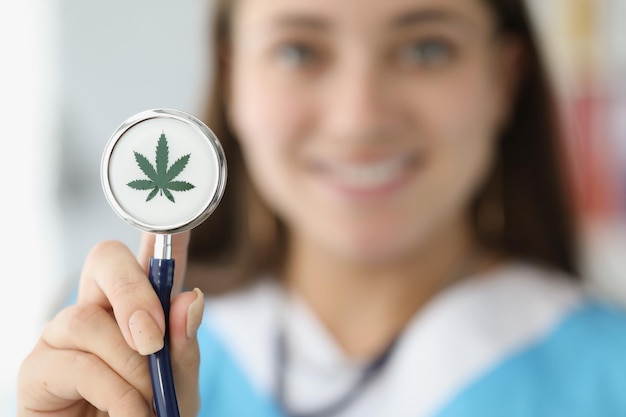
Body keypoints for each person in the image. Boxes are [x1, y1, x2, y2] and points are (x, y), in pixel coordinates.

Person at [16, 0, 626, 416]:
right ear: (234, 78)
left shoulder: (608, 374)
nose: (359, 117)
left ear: (505, 77)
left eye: (426, 49)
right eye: (298, 51)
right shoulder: (116, 360)